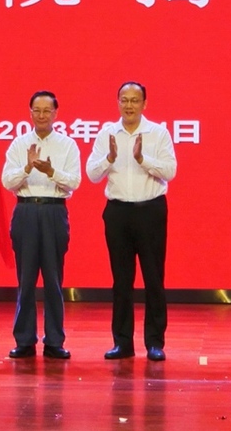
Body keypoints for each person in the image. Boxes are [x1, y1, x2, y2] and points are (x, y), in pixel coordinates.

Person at [86, 81, 177, 362]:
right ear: (117, 103)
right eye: (124, 100)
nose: (129, 105)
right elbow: (92, 174)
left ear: (144, 104)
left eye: (134, 100)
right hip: (118, 212)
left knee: (154, 278)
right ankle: (122, 342)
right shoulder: (107, 133)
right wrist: (109, 158)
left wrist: (142, 158)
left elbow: (170, 171)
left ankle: (155, 342)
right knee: (121, 280)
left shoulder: (158, 133)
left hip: (150, 211)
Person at [2, 90, 81, 360]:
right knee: (25, 280)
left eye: (47, 110)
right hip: (25, 210)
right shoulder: (19, 144)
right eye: (37, 110)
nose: (42, 115)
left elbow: (74, 182)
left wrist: (51, 172)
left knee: (53, 280)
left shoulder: (67, 145)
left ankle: (54, 341)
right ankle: (24, 340)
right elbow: (7, 181)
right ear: (30, 112)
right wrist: (26, 168)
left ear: (56, 113)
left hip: (53, 211)